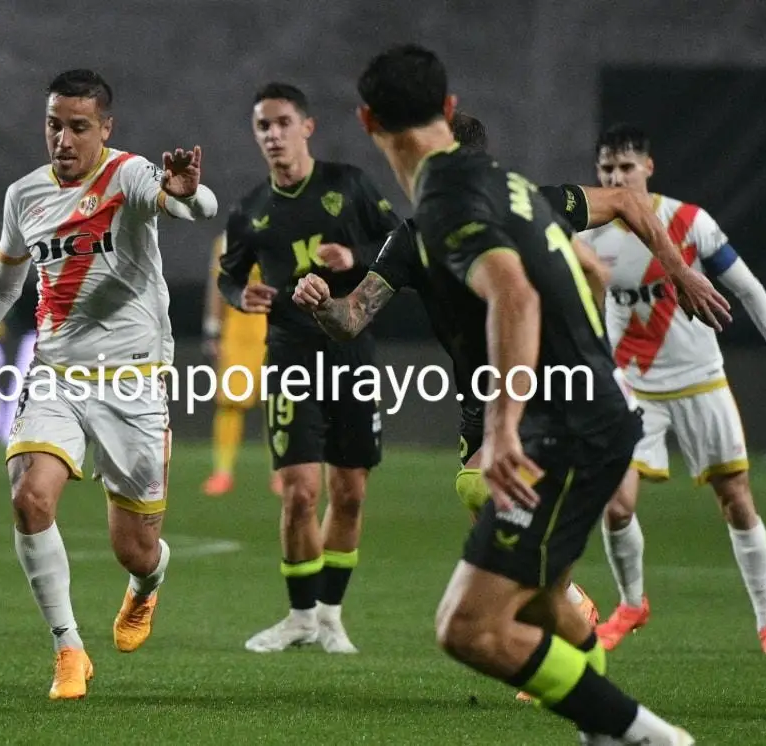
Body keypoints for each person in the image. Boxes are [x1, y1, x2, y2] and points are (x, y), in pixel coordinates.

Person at [294, 110, 728, 706]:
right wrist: (321, 301)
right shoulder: (412, 238)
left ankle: (570, 651)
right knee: (494, 515)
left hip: (556, 388)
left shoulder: (532, 205)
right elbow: (350, 321)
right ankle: (571, 622)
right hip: (483, 402)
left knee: (541, 514)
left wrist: (677, 272)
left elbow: (628, 202)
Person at [0, 69, 218, 699]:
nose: (63, 139)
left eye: (78, 127)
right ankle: (69, 649)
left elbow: (190, 205)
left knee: (136, 550)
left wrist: (189, 193)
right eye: (54, 125)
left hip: (133, 383)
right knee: (29, 496)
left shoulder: (127, 175)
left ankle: (147, 585)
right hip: (57, 374)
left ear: (105, 129)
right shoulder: (25, 196)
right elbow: (3, 286)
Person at [583, 123, 766, 656]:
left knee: (735, 501)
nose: (617, 177)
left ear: (649, 168)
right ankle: (632, 604)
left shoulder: (687, 221)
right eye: (607, 170)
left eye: (626, 167)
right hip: (632, 387)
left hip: (699, 381)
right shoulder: (589, 233)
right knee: (615, 505)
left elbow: (749, 289)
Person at [217, 82, 403, 654]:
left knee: (349, 492)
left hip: (353, 356)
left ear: (306, 127)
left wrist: (358, 260)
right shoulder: (251, 209)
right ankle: (299, 616)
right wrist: (237, 296)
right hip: (292, 361)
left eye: (281, 123)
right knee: (299, 493)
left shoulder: (348, 185)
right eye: (262, 127)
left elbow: (402, 242)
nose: (272, 135)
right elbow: (230, 273)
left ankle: (329, 615)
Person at [200, 232, 282, 497]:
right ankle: (223, 472)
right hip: (237, 329)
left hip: (274, 325)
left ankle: (280, 472)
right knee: (230, 402)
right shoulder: (227, 239)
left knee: (277, 402)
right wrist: (213, 330)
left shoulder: (284, 230)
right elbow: (218, 285)